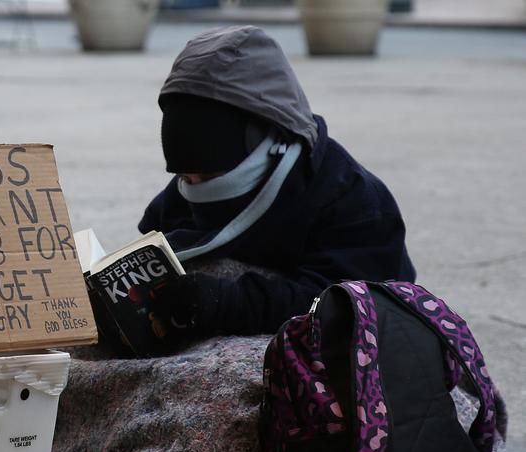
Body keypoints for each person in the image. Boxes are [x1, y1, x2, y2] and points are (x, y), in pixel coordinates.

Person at [139, 25, 416, 341]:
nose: (198, 188)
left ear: (268, 142)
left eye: (212, 178)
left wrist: (226, 302)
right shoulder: (180, 196)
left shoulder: (352, 200)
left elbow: (347, 305)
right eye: (188, 178)